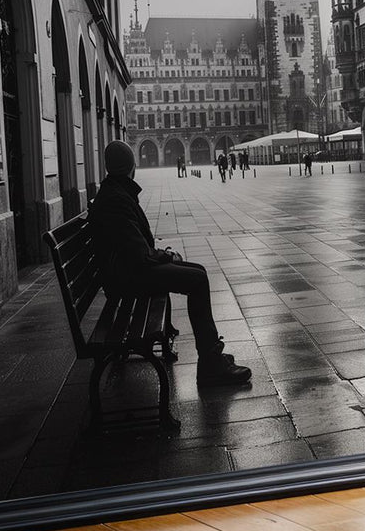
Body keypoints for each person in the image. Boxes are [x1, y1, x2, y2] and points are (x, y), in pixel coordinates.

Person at [90, 141, 251, 387]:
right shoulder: (116, 199)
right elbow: (138, 254)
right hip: (129, 277)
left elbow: (134, 247)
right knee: (197, 280)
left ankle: (211, 354)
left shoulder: (115, 192)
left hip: (126, 271)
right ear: (132, 166)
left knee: (199, 271)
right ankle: (210, 364)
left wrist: (163, 255)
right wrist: (166, 256)